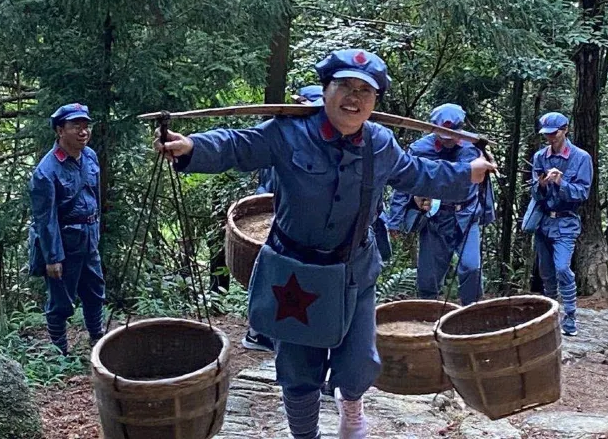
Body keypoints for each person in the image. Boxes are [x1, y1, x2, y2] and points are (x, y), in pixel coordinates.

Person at [153, 49, 496, 439]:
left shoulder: (380, 143)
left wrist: (468, 173)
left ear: (375, 100)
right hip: (294, 273)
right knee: (299, 369)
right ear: (326, 89)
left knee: (358, 362)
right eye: (344, 86)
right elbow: (238, 145)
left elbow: (416, 173)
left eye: (365, 91)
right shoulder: (288, 133)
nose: (354, 97)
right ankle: (305, 435)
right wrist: (191, 148)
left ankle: (351, 409)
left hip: (354, 272)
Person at [243, 85, 326, 352]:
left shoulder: (319, 142)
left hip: (302, 232)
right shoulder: (283, 134)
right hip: (280, 226)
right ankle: (258, 332)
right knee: (271, 278)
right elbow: (266, 179)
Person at [385, 103, 494, 305]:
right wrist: (395, 221)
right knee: (429, 277)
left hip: (466, 216)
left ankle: (472, 312)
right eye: (443, 136)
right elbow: (403, 184)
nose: (447, 141)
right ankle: (428, 315)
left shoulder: (474, 148)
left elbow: (485, 183)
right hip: (434, 218)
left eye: (452, 136)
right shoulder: (419, 149)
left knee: (471, 267)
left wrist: (487, 213)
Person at [28, 103, 105, 356]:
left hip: (89, 236)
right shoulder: (46, 171)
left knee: (95, 290)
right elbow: (45, 218)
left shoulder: (90, 157)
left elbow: (96, 197)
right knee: (61, 299)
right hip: (65, 241)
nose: (83, 132)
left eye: (86, 126)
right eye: (76, 126)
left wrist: (96, 233)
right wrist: (53, 258)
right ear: (60, 130)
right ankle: (60, 352)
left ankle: (97, 340)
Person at [529, 112, 592, 336]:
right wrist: (541, 184)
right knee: (546, 273)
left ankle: (571, 316)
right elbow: (534, 192)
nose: (550, 137)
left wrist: (561, 182)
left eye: (554, 133)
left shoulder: (581, 157)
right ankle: (550, 318)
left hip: (566, 222)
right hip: (543, 221)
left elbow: (583, 193)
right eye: (546, 134)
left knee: (563, 268)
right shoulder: (539, 157)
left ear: (565, 130)